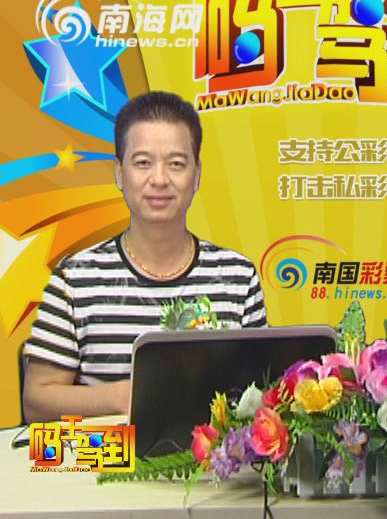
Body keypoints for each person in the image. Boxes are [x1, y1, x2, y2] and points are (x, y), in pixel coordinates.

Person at [23, 91, 267, 423]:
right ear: (120, 173)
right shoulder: (75, 278)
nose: (160, 179)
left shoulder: (238, 277)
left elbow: (262, 392)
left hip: (213, 455)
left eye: (176, 164)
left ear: (196, 175)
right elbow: (37, 401)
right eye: (143, 163)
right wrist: (127, 396)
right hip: (107, 453)